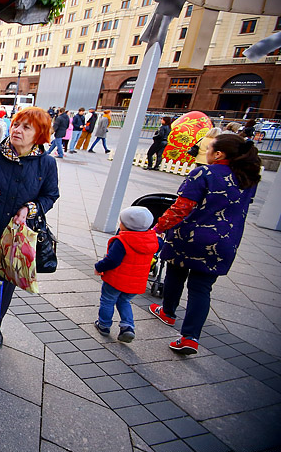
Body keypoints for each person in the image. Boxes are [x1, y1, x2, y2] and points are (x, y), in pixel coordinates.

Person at [149, 135, 262, 355]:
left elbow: (181, 208)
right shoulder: (248, 179)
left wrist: (158, 228)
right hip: (225, 241)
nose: (207, 151)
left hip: (190, 238)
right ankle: (190, 337)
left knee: (175, 274)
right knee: (201, 288)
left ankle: (168, 312)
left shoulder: (204, 173)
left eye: (209, 148)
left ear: (218, 154)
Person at [0, 107, 59, 357]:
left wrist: (29, 208)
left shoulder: (47, 164)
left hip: (17, 238)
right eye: (16, 124)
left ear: (40, 134)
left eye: (26, 127)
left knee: (5, 286)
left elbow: (51, 195)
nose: (17, 130)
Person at [93, 207, 159, 343]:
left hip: (116, 280)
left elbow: (112, 260)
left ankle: (104, 325)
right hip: (136, 282)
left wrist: (99, 267)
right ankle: (127, 326)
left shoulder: (122, 241)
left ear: (125, 225)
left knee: (108, 300)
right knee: (124, 301)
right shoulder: (152, 240)